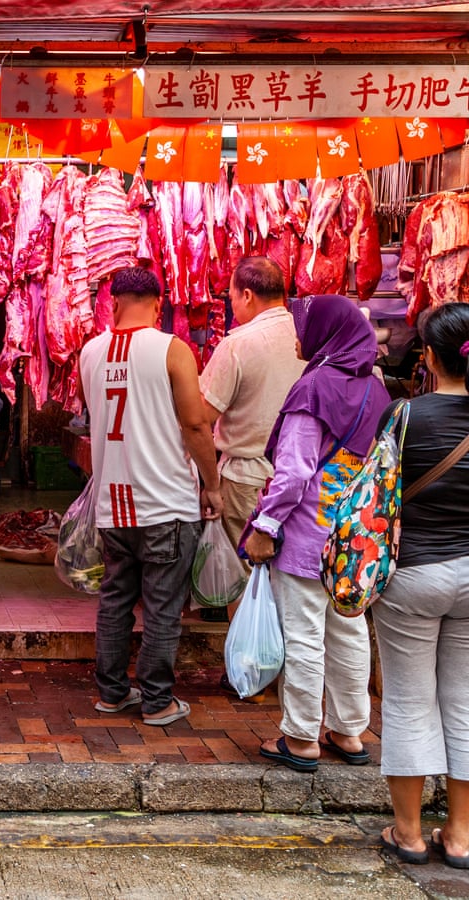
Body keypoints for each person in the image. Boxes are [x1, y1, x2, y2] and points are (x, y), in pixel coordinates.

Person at [245, 294, 391, 772]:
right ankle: (349, 732)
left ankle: (301, 737)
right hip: (353, 538)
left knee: (305, 636)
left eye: (303, 326)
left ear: (327, 332)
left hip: (307, 533)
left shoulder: (315, 388)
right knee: (348, 631)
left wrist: (265, 526)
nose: (296, 336)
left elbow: (293, 472)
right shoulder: (376, 389)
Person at [79, 266, 223, 728]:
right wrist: (212, 484)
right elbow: (197, 424)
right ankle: (158, 701)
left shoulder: (90, 353)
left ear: (112, 301)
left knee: (115, 600)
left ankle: (111, 693)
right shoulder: (172, 349)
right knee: (162, 606)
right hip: (166, 502)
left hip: (112, 502)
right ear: (159, 305)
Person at [372, 303, 469, 867]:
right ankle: (460, 837)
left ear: (428, 357)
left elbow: (376, 497)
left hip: (413, 574)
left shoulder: (404, 416)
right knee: (465, 702)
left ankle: (407, 834)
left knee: (409, 700)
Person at [200, 257, 306, 562]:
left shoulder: (238, 344)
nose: (232, 306)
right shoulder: (310, 336)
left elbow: (202, 418)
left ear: (247, 295)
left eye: (232, 297)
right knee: (289, 578)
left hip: (248, 481)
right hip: (301, 481)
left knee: (245, 581)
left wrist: (208, 483)